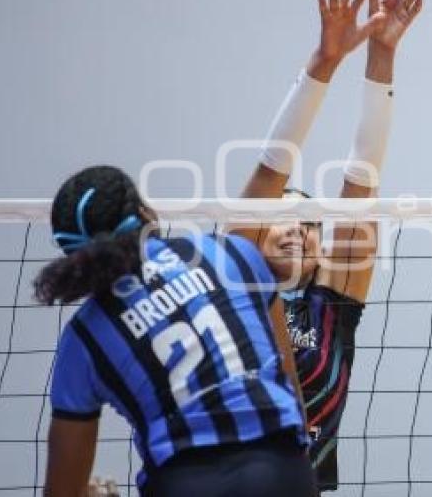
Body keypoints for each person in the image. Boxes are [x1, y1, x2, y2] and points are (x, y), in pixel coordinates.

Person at [235, 0, 423, 492]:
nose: (297, 230)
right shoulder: (233, 286)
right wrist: (323, 63)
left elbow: (363, 175)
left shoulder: (332, 310)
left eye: (311, 224)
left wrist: (380, 56)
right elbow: (271, 168)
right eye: (282, 219)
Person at [36, 165, 315, 497]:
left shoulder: (83, 337)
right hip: (280, 469)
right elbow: (290, 387)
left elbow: (62, 492)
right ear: (147, 214)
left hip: (184, 482)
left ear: (71, 254)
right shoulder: (230, 253)